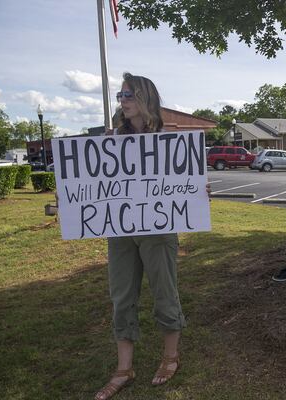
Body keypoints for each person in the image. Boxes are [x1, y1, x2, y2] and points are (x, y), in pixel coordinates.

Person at [95, 72, 211, 400]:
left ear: (146, 98)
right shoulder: (111, 139)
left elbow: (184, 181)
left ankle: (171, 357)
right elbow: (96, 184)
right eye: (120, 96)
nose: (123, 101)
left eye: (128, 95)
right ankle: (124, 369)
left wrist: (197, 191)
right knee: (121, 297)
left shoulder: (168, 140)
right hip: (120, 230)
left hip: (158, 229)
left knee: (165, 292)